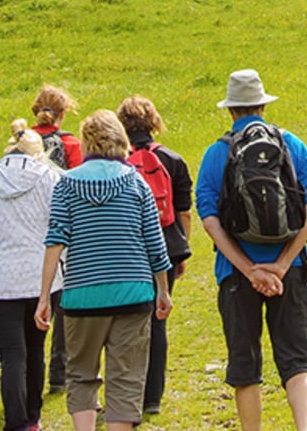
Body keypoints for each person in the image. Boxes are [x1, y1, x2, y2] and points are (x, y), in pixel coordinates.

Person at [197, 71, 307, 431]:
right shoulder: (292, 145)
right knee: (297, 362)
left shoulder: (217, 153)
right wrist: (281, 264)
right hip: (291, 269)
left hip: (235, 275)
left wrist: (250, 269)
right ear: (264, 105)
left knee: (244, 364)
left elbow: (209, 219)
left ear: (230, 109)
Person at [38, 111, 172, 431]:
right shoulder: (136, 181)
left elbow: (55, 241)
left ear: (86, 143)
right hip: (133, 292)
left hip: (82, 295)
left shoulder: (67, 183)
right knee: (125, 377)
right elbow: (155, 243)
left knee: (81, 374)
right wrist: (163, 290)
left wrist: (44, 296)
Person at [0, 121, 63, 431]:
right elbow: (60, 228)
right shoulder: (49, 178)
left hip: (1, 278)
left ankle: (16, 420)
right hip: (42, 278)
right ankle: (33, 415)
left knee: (11, 355)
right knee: (36, 349)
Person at [117, 95, 193, 421]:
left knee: (126, 325)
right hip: (166, 248)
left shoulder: (117, 163)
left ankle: (126, 396)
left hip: (127, 251)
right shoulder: (173, 160)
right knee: (158, 320)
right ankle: (153, 398)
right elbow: (184, 213)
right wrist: (182, 249)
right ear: (153, 122)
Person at [30, 84, 83, 389]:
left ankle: (33, 364)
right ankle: (59, 374)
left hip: (28, 227)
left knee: (33, 296)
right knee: (63, 302)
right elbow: (75, 185)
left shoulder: (21, 142)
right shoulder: (72, 143)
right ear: (63, 113)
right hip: (62, 226)